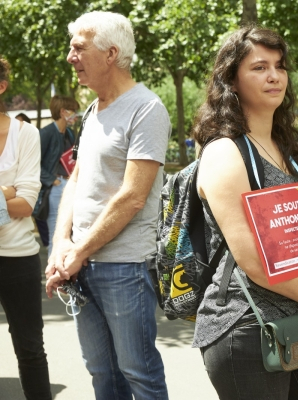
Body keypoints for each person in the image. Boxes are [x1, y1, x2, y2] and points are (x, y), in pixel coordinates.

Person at [191, 26, 298, 399]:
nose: (274, 75)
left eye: (279, 66)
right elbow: (255, 263)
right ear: (231, 79)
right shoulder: (224, 152)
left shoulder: (284, 147)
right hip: (248, 330)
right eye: (259, 67)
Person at [44, 12, 170, 399]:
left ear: (111, 53)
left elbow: (132, 197)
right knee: (102, 375)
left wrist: (77, 251)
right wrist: (60, 244)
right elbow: (77, 179)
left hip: (124, 268)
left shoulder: (147, 109)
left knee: (139, 375)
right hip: (82, 264)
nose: (70, 57)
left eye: (78, 48)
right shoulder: (93, 110)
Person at [0, 58, 52, 399]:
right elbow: (13, 202)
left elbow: (25, 206)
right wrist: (6, 191)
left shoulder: (25, 134)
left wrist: (14, 198)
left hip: (17, 258)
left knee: (30, 350)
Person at [38, 95, 80, 255]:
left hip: (69, 186)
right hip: (54, 190)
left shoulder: (69, 133)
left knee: (68, 235)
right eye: (73, 111)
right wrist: (53, 181)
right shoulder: (46, 133)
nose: (75, 115)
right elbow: (34, 164)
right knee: (56, 236)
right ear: (63, 112)